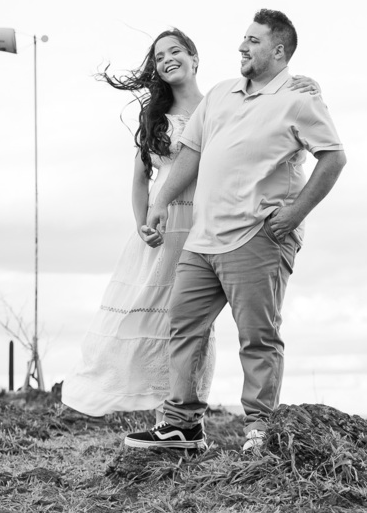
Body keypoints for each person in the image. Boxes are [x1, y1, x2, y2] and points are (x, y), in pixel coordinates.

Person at [61, 27, 320, 417]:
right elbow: (140, 179)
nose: (168, 59)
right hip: (163, 227)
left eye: (176, 50)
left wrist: (305, 83)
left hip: (208, 223)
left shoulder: (222, 101)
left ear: (195, 58)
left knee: (206, 324)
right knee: (154, 315)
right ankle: (148, 402)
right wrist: (143, 221)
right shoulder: (156, 118)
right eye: (159, 55)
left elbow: (267, 101)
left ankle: (200, 414)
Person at [124, 9, 346, 452]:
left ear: (278, 50)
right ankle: (182, 426)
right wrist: (162, 201)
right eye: (243, 39)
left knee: (258, 338)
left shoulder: (300, 99)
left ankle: (259, 431)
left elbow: (334, 157)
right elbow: (190, 152)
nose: (242, 47)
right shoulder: (222, 93)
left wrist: (293, 215)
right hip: (201, 240)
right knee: (183, 327)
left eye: (253, 40)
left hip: (258, 237)